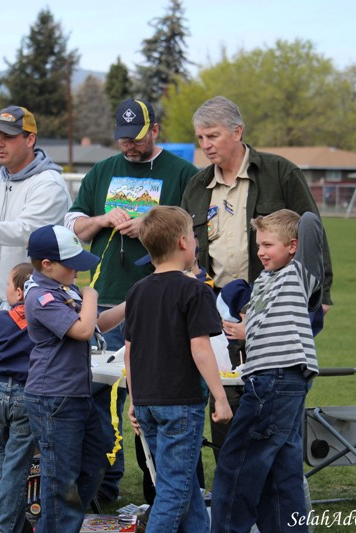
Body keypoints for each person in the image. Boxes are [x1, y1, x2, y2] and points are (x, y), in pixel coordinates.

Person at [180, 95, 333, 459]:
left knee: (274, 399)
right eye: (200, 138)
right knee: (225, 403)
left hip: (274, 303)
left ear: (238, 131)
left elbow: (314, 234)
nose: (206, 145)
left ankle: (276, 487)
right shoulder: (196, 185)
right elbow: (184, 246)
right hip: (214, 306)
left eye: (213, 136)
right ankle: (232, 488)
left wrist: (321, 296)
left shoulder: (280, 172)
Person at [64, 98, 198, 502]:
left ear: (154, 130)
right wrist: (104, 220)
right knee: (102, 397)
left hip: (161, 304)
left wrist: (151, 224)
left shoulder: (181, 172)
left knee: (151, 398)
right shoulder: (103, 170)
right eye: (123, 139)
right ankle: (104, 485)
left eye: (137, 138)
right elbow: (74, 225)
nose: (129, 146)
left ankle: (157, 489)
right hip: (104, 302)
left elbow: (194, 228)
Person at [211, 209, 324, 533]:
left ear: (292, 246)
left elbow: (312, 227)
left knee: (238, 462)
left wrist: (300, 222)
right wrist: (245, 330)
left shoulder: (298, 274)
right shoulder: (265, 279)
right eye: (259, 244)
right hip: (271, 378)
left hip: (276, 378)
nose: (261, 251)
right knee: (280, 469)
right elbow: (264, 321)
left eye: (269, 244)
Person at [123, 206, 232, 533]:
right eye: (195, 236)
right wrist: (221, 397)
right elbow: (200, 348)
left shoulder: (137, 291)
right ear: (185, 243)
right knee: (174, 488)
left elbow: (130, 352)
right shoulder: (195, 290)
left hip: (147, 404)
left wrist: (134, 399)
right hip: (180, 404)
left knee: (184, 488)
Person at [23, 224, 125, 533]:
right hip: (53, 396)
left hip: (75, 393)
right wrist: (91, 294)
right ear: (47, 265)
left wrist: (132, 302)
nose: (78, 271)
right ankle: (56, 526)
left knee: (97, 454)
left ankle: (66, 520)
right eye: (72, 264)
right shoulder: (40, 296)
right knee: (60, 478)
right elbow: (81, 330)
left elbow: (97, 325)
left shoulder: (63, 289)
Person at [0, 105, 72, 309]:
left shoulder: (50, 184)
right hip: (2, 303)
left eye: (8, 137)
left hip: (43, 303)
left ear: (30, 140)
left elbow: (27, 232)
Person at [0, 262, 37, 533]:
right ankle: (3, 522)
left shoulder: (1, 318)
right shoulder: (41, 318)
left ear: (17, 292)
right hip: (26, 393)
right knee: (17, 461)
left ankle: (0, 515)